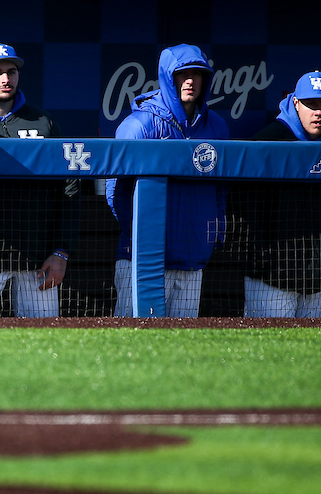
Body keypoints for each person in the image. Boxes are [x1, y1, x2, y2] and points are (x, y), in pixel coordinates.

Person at [0, 43, 77, 318]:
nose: (5, 79)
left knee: (43, 344)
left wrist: (61, 251)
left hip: (38, 257)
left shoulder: (43, 122)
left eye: (11, 71)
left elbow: (68, 189)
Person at [106, 44, 229, 317]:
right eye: (181, 74)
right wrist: (142, 237)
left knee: (183, 347)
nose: (189, 81)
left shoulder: (216, 126)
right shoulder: (139, 124)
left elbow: (220, 189)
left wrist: (212, 232)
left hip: (192, 256)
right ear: (166, 76)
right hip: (144, 261)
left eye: (197, 74)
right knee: (130, 342)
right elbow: (116, 191)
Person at [246, 72, 321, 318]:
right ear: (295, 103)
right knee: (270, 350)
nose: (319, 111)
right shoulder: (267, 142)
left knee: (312, 352)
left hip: (319, 278)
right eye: (311, 104)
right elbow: (245, 210)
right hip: (270, 279)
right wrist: (258, 260)